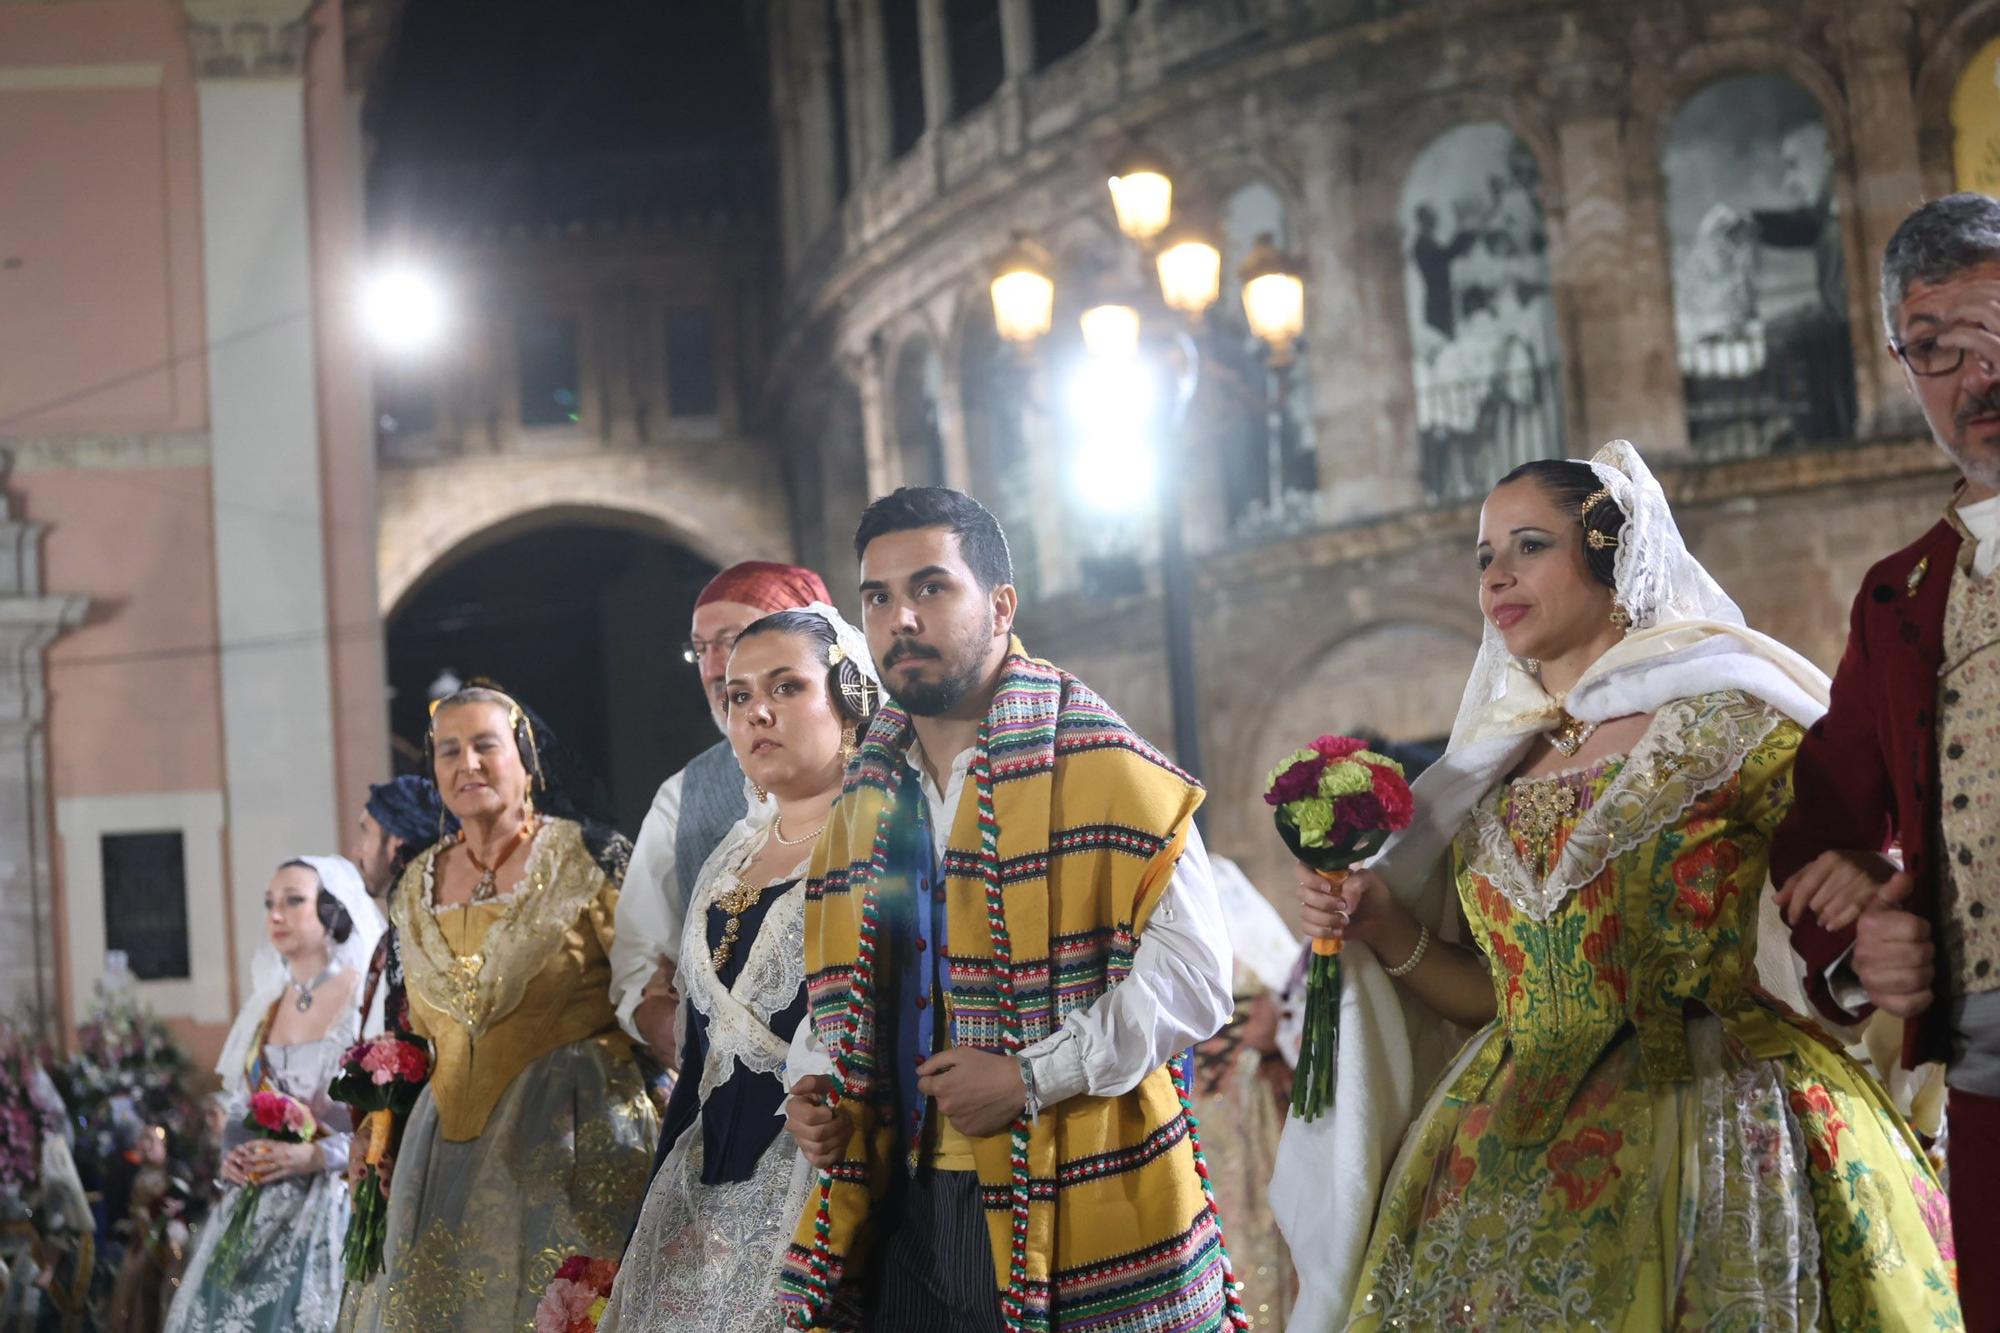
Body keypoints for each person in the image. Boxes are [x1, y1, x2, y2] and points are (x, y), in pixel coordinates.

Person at [1270, 442, 1959, 1330]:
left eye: (1529, 546)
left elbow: (1853, 852)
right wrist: (1383, 923)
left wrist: (1869, 887)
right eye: (1484, 558)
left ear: (1610, 555)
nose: (1497, 577)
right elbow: (1501, 998)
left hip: (1714, 1115)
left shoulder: (1729, 716)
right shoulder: (1488, 776)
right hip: (1504, 1142)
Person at [776, 487, 1238, 1332]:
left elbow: (1198, 979)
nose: (900, 618)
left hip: (1069, 1188)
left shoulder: (1102, 763)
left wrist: (1032, 1077)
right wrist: (812, 1090)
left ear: (1001, 604)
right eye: (877, 596)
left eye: (931, 588)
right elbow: (843, 984)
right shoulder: (866, 795)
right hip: (897, 1202)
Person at [1773, 190, 2000, 1329]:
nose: (1976, 378)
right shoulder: (1900, 595)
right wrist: (1866, 932)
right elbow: (1808, 829)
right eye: (1933, 349)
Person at [601, 605, 881, 1332]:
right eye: (738, 695)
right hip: (708, 1180)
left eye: (787, 687)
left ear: (848, 699)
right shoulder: (731, 853)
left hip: (833, 1176)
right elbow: (700, 1047)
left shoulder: (885, 839)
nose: (758, 711)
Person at [360, 687, 657, 1333]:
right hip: (443, 1158)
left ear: (526, 759)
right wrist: (382, 1129)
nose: (466, 763)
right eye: (448, 751)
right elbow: (402, 1027)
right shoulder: (415, 884)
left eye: (484, 745)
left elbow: (657, 994)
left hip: (576, 1142)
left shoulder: (593, 855)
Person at [612, 562, 833, 1069]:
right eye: (701, 647)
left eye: (733, 640)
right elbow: (638, 959)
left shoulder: (893, 773)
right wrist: (657, 1018)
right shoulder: (683, 796)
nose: (713, 667)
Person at [163, 856, 383, 1333]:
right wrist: (235, 1157)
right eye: (269, 904)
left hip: (337, 1200)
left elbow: (384, 1121)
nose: (276, 915)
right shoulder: (266, 1004)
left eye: (293, 901)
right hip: (259, 1201)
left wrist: (314, 1156)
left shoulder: (363, 997)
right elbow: (244, 1104)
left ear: (333, 910)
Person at [349, 775, 446, 1038]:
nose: (357, 851)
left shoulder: (437, 929)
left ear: (397, 841)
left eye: (365, 832)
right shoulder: (394, 933)